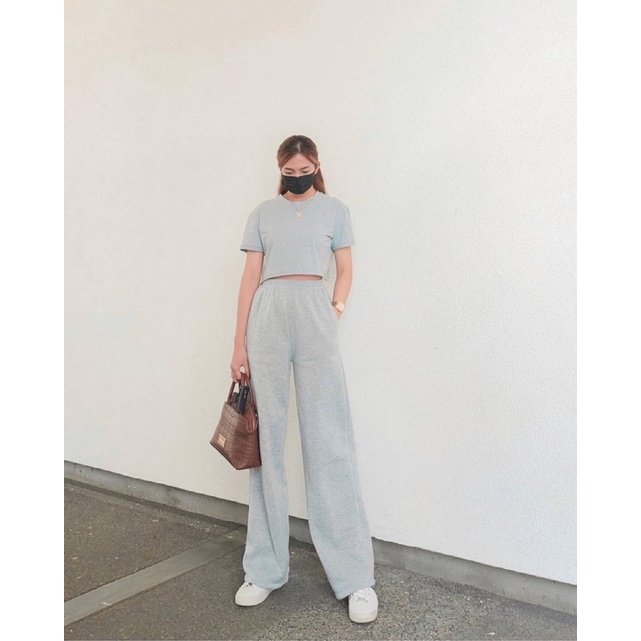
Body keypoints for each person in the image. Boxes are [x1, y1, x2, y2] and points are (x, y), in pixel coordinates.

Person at [229, 134, 378, 624]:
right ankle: (264, 569)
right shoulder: (263, 213)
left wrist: (333, 310)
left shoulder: (335, 210)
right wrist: (238, 344)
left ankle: (354, 577)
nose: (297, 177)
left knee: (330, 440)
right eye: (289, 172)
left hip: (315, 310)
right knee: (267, 443)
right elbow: (250, 278)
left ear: (316, 165)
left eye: (304, 169)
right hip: (268, 314)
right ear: (281, 170)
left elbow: (345, 270)